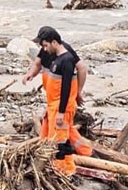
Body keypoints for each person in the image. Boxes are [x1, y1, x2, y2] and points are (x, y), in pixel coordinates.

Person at [29, 26, 92, 175]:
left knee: (59, 140)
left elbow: (66, 87)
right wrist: (30, 74)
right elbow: (38, 64)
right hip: (53, 103)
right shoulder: (51, 54)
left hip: (61, 105)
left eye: (45, 45)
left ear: (54, 42)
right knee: (51, 133)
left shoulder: (66, 59)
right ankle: (86, 151)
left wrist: (76, 95)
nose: (43, 49)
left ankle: (64, 169)